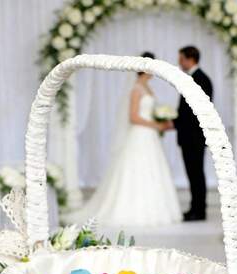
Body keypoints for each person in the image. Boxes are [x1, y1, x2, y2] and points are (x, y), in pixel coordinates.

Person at [69, 52, 182, 227]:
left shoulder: (147, 87)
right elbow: (133, 117)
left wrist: (161, 119)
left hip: (149, 136)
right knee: (137, 169)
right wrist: (156, 125)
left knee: (152, 169)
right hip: (140, 134)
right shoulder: (136, 89)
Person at [170, 46, 213, 221]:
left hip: (194, 137)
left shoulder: (200, 79)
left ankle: (199, 210)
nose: (179, 62)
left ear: (190, 59)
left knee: (196, 174)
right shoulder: (194, 78)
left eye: (181, 59)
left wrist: (174, 123)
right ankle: (195, 207)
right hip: (189, 136)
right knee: (193, 174)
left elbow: (195, 112)